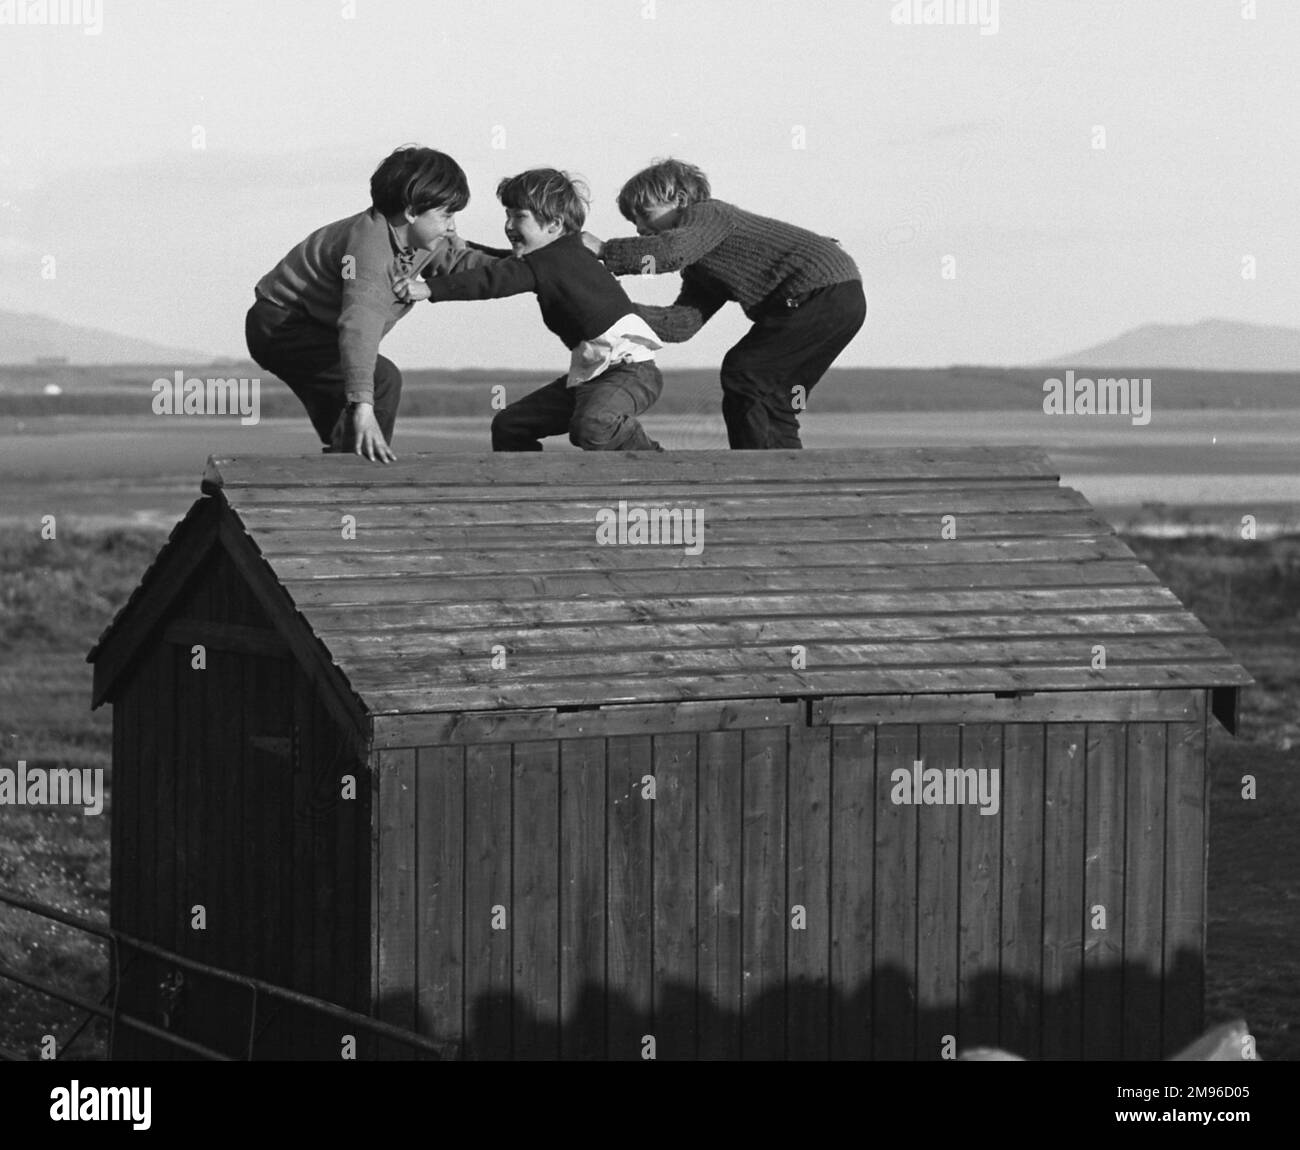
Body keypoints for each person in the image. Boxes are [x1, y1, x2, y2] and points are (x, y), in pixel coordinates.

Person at [245, 145, 507, 462]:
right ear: (411, 212)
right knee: (382, 381)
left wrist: (533, 262)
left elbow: (465, 260)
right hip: (281, 326)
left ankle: (340, 479)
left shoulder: (423, 239)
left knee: (345, 432)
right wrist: (363, 405)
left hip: (319, 329)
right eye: (446, 214)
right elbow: (360, 326)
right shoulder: (369, 249)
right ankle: (358, 482)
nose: (452, 226)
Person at [584, 158, 866, 449]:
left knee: (747, 371)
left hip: (818, 291)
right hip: (838, 301)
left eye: (644, 214)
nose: (640, 228)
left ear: (680, 200)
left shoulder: (709, 214)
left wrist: (606, 251)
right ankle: (782, 476)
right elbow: (682, 323)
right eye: (633, 222)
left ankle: (759, 473)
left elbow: (670, 254)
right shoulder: (703, 264)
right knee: (773, 395)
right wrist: (619, 311)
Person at [398, 168, 664, 452]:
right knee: (511, 426)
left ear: (554, 224)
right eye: (508, 215)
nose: (509, 225)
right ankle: (528, 492)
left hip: (631, 373)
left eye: (519, 217)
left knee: (594, 425)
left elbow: (495, 279)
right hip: (592, 376)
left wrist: (430, 289)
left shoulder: (556, 259)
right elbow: (508, 265)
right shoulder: (558, 256)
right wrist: (469, 246)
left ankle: (658, 465)